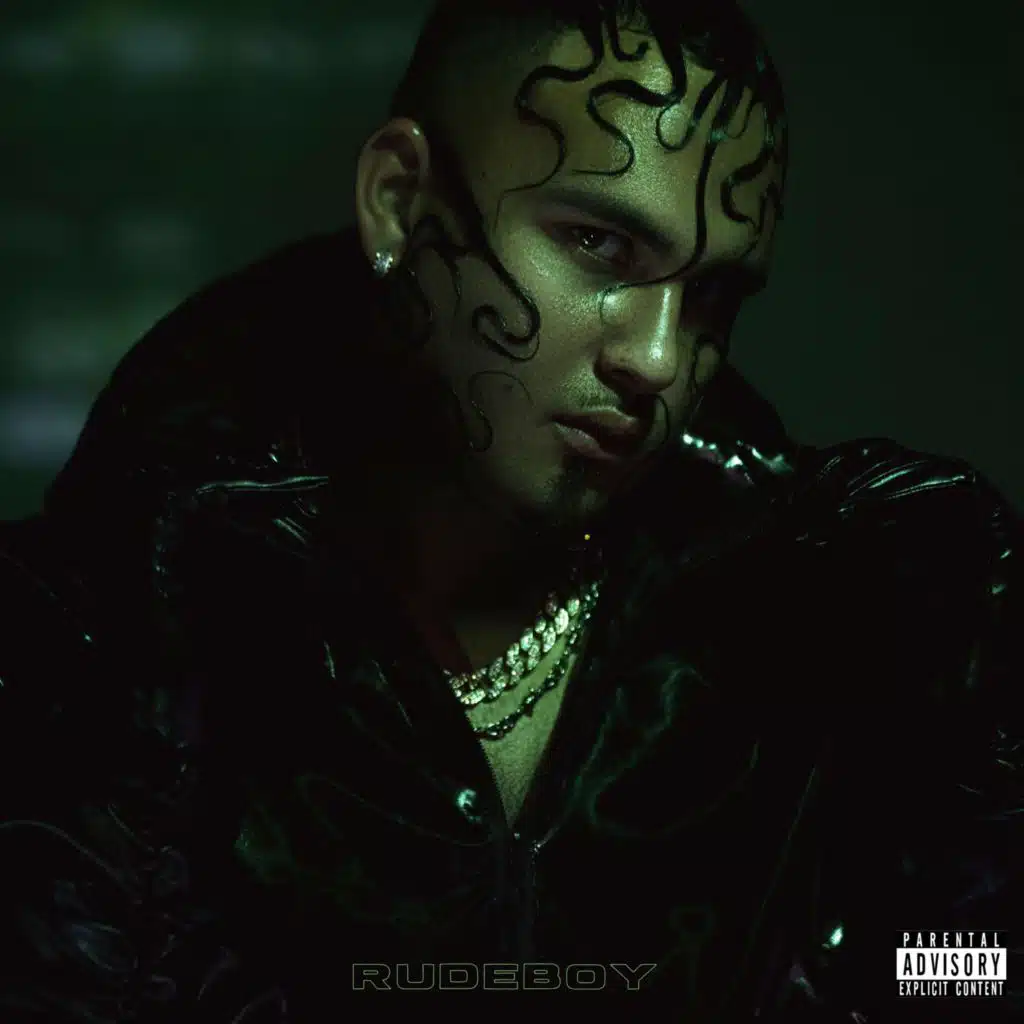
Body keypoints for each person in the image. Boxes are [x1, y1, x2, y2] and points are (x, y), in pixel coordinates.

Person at [0, 0, 1019, 1019]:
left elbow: (969, 971)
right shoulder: (111, 635)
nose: (658, 357)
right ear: (398, 200)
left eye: (712, 297)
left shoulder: (859, 624)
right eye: (597, 243)